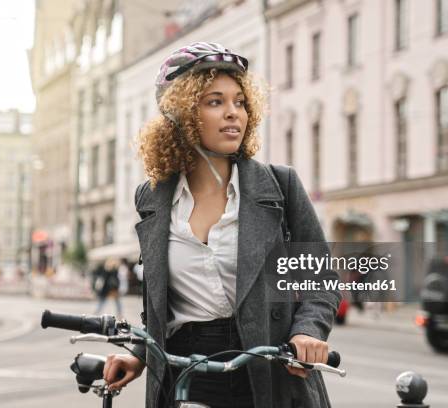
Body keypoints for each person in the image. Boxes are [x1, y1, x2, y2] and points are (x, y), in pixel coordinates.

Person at [103, 42, 341, 408]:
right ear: (179, 114)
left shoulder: (280, 186)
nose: (234, 114)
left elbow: (321, 281)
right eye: (215, 102)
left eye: (240, 102)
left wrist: (307, 332)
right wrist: (139, 352)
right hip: (183, 372)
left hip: (266, 363)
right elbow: (158, 305)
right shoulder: (151, 198)